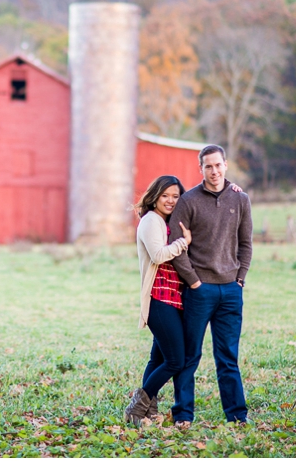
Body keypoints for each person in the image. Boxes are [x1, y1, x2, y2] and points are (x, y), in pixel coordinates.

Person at [168, 144, 252, 426]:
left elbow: (246, 243)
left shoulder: (241, 199)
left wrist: (240, 279)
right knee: (189, 355)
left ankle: (237, 416)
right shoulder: (189, 201)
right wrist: (193, 282)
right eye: (208, 166)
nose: (214, 171)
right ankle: (183, 414)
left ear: (225, 165)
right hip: (199, 292)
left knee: (228, 357)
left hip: (230, 290)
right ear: (200, 168)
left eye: (218, 165)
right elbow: (175, 246)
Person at [123, 175, 192, 425]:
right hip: (158, 299)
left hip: (172, 299)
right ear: (155, 196)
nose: (171, 200)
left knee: (159, 359)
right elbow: (158, 254)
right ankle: (135, 408)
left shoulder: (165, 221)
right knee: (175, 360)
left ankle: (148, 412)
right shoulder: (151, 220)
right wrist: (184, 243)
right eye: (166, 195)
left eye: (175, 196)